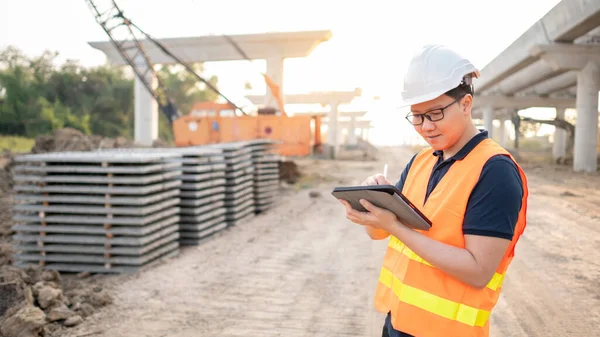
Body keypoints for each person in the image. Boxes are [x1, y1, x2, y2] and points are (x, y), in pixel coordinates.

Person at [339, 45, 528, 337]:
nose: (425, 127)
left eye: (435, 113)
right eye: (417, 116)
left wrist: (394, 226)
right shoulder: (420, 161)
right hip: (398, 322)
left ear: (466, 104)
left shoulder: (495, 170)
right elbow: (378, 233)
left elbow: (478, 271)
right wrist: (371, 206)